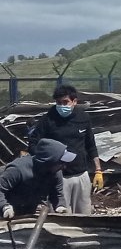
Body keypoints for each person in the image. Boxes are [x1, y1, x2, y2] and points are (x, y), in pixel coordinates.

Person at [28, 85, 102, 214]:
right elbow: (33, 145)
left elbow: (91, 145)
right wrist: (46, 164)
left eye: (65, 102)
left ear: (74, 101)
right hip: (58, 178)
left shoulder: (83, 118)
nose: (62, 106)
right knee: (59, 218)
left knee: (84, 217)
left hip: (81, 175)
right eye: (58, 102)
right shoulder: (48, 120)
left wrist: (98, 170)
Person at [0, 139, 73, 219]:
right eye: (61, 162)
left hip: (29, 212)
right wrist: (5, 207)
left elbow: (57, 194)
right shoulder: (18, 170)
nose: (64, 166)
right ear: (49, 162)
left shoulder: (55, 173)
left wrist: (60, 206)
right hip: (6, 213)